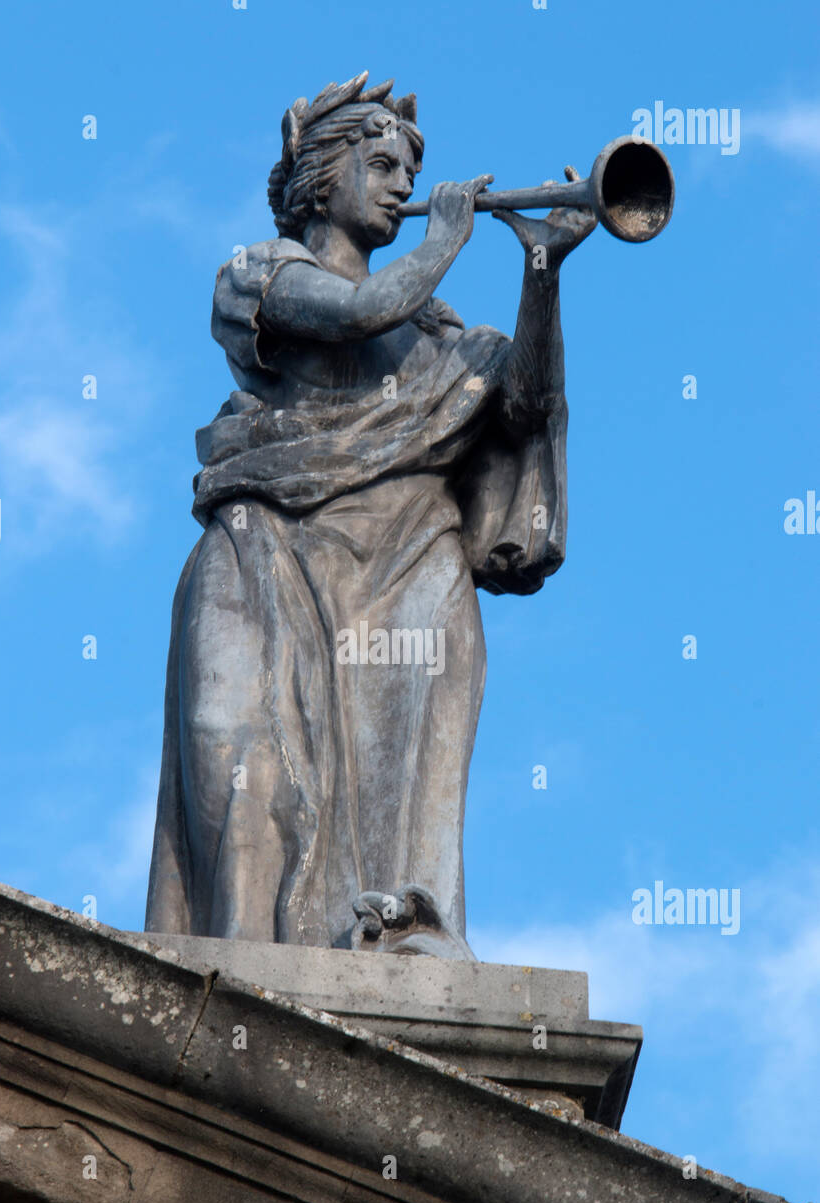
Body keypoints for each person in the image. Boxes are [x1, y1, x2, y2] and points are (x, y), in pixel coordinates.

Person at [145, 72, 594, 956]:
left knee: (406, 789)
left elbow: (525, 404)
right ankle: (244, 977)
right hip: (267, 549)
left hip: (408, 573)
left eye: (407, 169)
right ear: (321, 177)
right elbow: (352, 311)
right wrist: (451, 241)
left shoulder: (435, 337)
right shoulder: (259, 275)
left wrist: (540, 269)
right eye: (380, 163)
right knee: (238, 762)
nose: (401, 185)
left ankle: (395, 935)